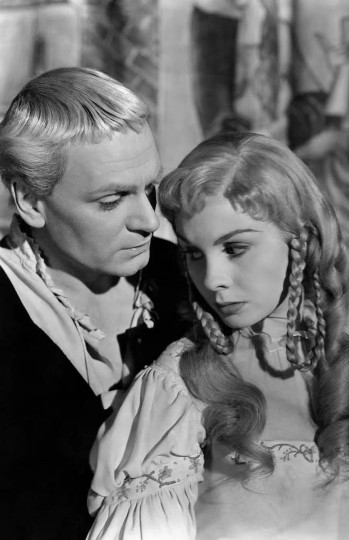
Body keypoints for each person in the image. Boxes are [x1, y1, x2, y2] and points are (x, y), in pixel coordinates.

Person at [86, 132, 349, 540]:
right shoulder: (178, 389)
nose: (211, 280)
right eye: (193, 253)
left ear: (301, 240)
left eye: (235, 248)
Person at [0, 67, 188, 539]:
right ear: (30, 200)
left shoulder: (187, 278)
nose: (149, 220)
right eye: (112, 199)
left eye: (149, 189)